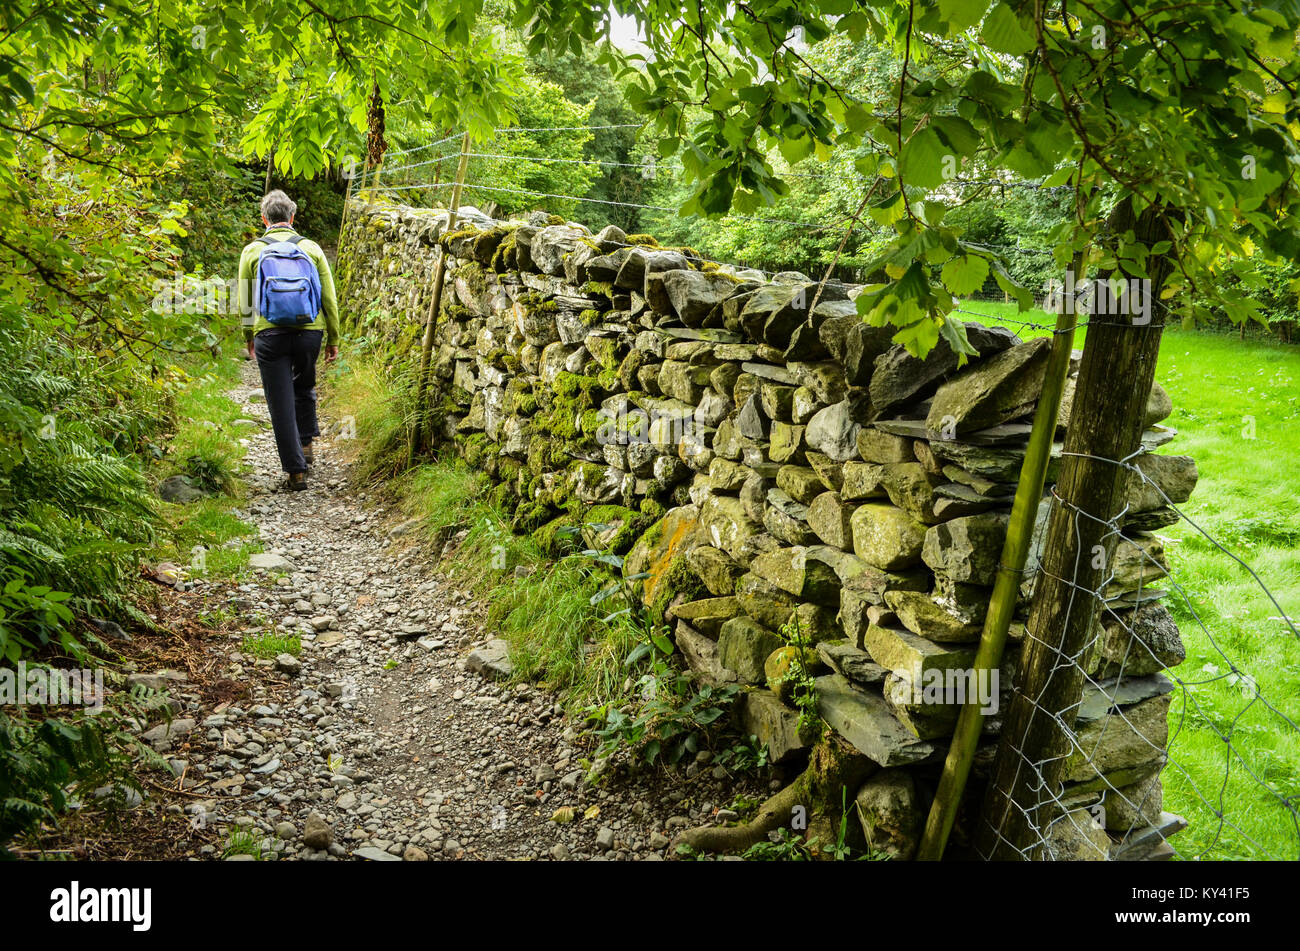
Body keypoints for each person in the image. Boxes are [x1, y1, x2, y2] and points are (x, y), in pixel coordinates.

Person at [237, 190, 340, 491]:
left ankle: (296, 472)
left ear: (263, 218)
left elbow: (244, 301)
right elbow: (328, 298)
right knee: (304, 384)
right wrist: (333, 337)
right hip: (310, 331)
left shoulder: (252, 251)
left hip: (270, 333)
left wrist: (249, 336)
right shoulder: (312, 248)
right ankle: (306, 444)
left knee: (280, 401)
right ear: (293, 217)